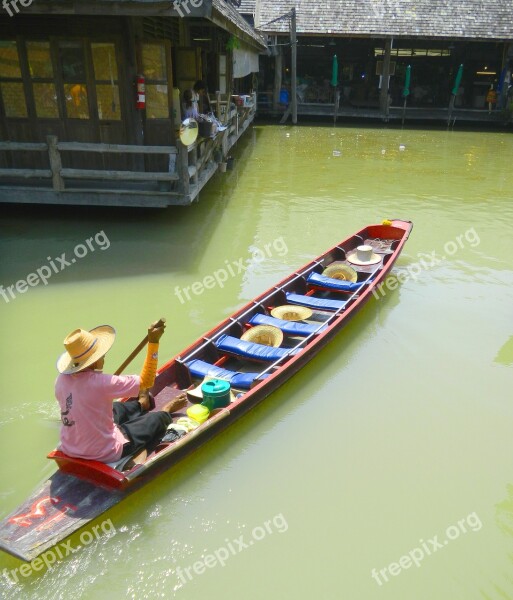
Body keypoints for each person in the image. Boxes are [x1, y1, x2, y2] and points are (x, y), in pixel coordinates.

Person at [55, 320, 187, 464]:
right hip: (105, 452)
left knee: (115, 408)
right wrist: (153, 342)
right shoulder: (102, 383)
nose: (104, 356)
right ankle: (165, 411)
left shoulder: (60, 380)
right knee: (155, 419)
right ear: (94, 360)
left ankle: (141, 404)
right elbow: (146, 382)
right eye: (101, 355)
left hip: (70, 447)